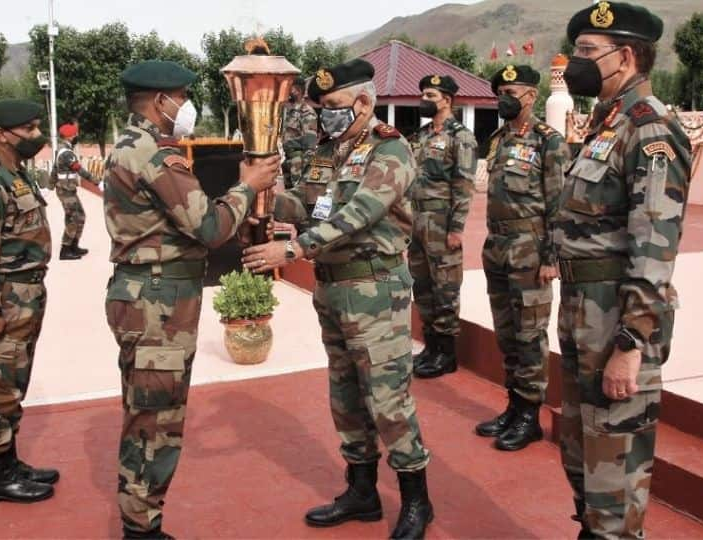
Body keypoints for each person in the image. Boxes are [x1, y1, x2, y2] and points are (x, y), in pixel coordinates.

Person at [243, 59, 433, 540]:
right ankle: (362, 491)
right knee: (346, 397)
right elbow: (306, 207)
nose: (326, 116)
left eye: (333, 107)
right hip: (332, 288)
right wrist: (264, 187)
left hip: (375, 291)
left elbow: (360, 213)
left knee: (388, 401)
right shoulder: (329, 154)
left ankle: (417, 501)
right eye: (321, 108)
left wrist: (292, 248)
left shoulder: (391, 150)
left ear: (364, 103)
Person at [103, 60, 279, 539]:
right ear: (161, 101)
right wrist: (248, 186)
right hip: (157, 303)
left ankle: (141, 519)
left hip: (148, 296)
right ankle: (141, 528)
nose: (186, 105)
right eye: (181, 96)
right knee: (155, 419)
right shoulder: (156, 155)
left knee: (148, 407)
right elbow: (209, 227)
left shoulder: (132, 145)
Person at [556, 2, 691, 537]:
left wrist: (631, 342)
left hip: (618, 317)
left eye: (588, 53)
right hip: (581, 309)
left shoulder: (649, 128)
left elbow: (655, 246)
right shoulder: (604, 123)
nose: (575, 63)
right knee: (582, 452)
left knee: (616, 465)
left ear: (626, 56)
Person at [0, 98, 60, 504]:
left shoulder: (15, 173)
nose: (37, 135)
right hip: (4, 297)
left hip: (26, 294)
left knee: (13, 382)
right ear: (2, 135)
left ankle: (9, 459)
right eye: (30, 129)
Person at [473, 64, 569, 452]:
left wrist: (551, 257)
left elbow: (559, 204)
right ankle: (514, 406)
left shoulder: (549, 142)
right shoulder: (497, 139)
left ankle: (530, 415)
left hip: (531, 249)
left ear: (531, 96)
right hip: (497, 246)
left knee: (530, 334)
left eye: (512, 91)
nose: (504, 98)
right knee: (507, 332)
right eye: (501, 92)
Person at [408, 74, 477, 379]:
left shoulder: (460, 137)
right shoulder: (421, 135)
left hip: (441, 221)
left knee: (445, 287)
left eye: (431, 95)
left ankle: (446, 354)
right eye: (423, 93)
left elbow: (463, 185)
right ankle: (431, 347)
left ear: (447, 100)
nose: (424, 99)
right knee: (422, 286)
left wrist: (456, 228)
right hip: (417, 221)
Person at [51, 122, 93, 260]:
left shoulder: (61, 150)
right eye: (75, 134)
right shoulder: (67, 153)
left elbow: (54, 170)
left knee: (79, 216)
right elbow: (79, 169)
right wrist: (98, 182)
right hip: (66, 190)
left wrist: (50, 186)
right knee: (74, 218)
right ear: (70, 136)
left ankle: (74, 246)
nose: (76, 136)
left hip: (66, 189)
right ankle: (65, 250)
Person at [280, 76, 319, 188]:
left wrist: (306, 168)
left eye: (289, 89)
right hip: (288, 159)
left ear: (297, 90)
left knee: (298, 192)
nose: (287, 92)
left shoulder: (306, 112)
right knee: (288, 193)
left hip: (299, 161)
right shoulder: (291, 111)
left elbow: (310, 144)